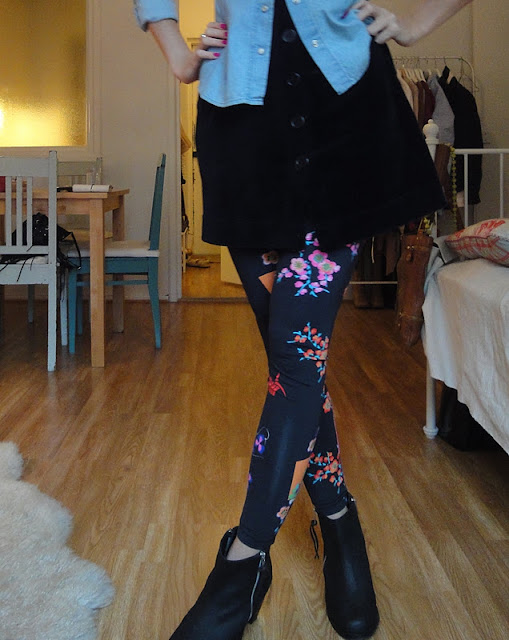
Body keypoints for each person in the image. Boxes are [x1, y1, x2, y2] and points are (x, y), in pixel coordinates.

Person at [133, 1, 473, 639]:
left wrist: (417, 22)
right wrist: (174, 48)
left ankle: (243, 560)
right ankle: (339, 518)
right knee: (297, 364)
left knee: (295, 363)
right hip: (244, 134)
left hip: (345, 124)